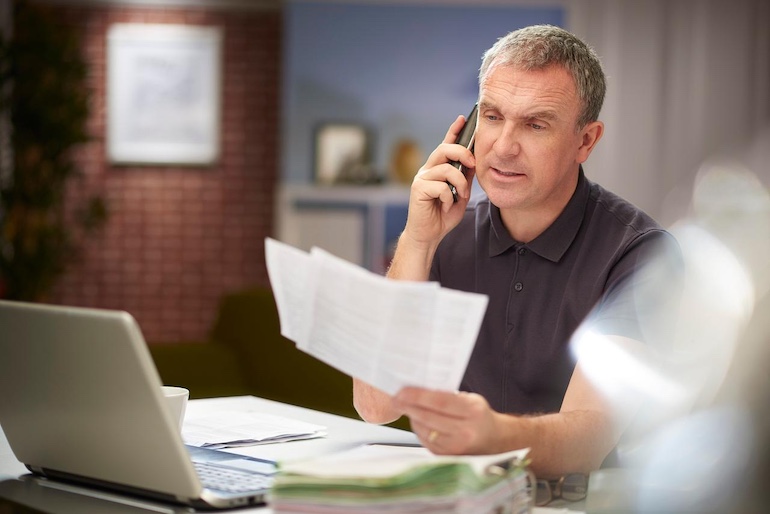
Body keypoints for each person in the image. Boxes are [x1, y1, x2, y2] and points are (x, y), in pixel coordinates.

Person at [352, 24, 681, 479]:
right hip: (463, 498)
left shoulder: (643, 255)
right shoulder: (444, 234)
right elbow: (375, 404)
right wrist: (418, 238)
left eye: (535, 124)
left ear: (585, 140)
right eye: (491, 116)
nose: (504, 147)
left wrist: (490, 435)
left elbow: (588, 440)